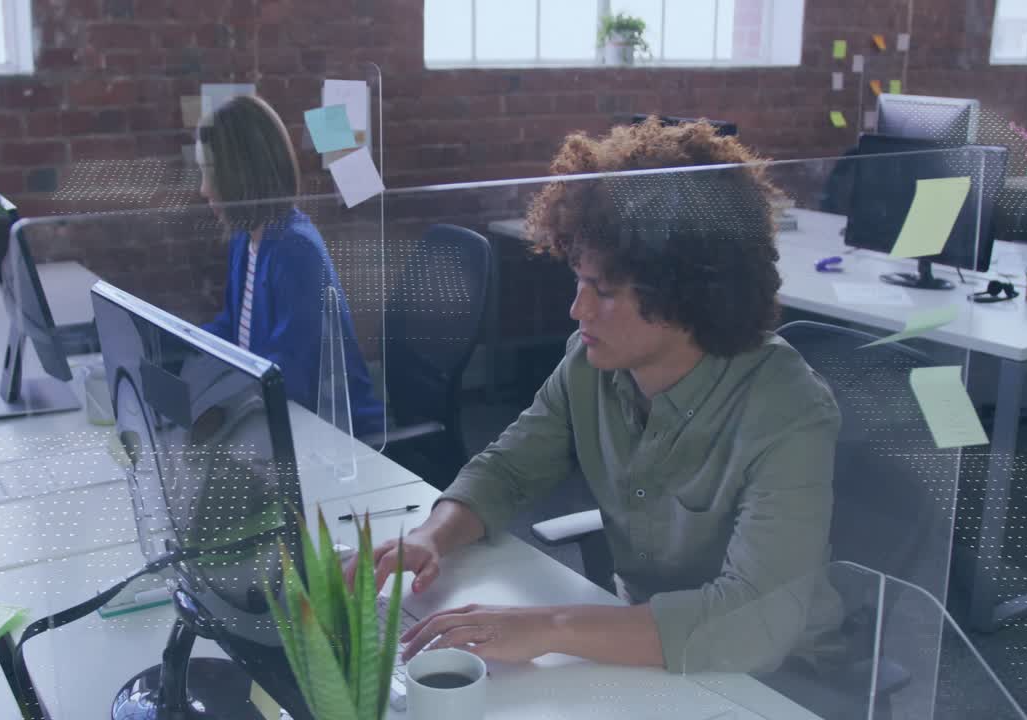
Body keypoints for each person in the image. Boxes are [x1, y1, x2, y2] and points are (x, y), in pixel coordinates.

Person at [358, 119, 842, 673]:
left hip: (779, 678)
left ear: (687, 296)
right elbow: (508, 470)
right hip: (640, 644)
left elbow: (754, 623)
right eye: (579, 280)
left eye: (604, 291)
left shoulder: (787, 410)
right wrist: (430, 537)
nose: (578, 310)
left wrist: (549, 627)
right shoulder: (589, 366)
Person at [197, 95, 384, 436]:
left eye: (212, 174)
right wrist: (178, 348)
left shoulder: (295, 251)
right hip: (273, 416)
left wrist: (218, 407)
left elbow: (289, 374)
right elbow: (231, 328)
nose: (204, 189)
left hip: (329, 432)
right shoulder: (245, 238)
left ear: (242, 176)